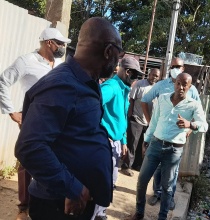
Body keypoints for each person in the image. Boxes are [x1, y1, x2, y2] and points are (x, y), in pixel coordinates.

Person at [15, 17, 124, 220]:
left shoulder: (87, 82)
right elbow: (30, 147)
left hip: (73, 201)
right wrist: (72, 187)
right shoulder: (63, 86)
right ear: (109, 51)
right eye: (118, 54)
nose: (117, 62)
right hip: (58, 204)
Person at [0, 27, 70, 220]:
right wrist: (11, 111)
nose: (63, 47)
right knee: (28, 162)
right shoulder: (26, 61)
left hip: (55, 121)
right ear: (49, 42)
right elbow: (3, 81)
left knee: (51, 159)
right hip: (32, 118)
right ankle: (23, 207)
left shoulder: (59, 64)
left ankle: (44, 201)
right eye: (61, 43)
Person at [132, 73, 208, 220]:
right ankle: (139, 212)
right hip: (155, 144)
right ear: (174, 83)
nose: (180, 87)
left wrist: (190, 124)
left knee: (167, 188)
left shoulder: (193, 104)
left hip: (174, 151)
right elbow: (154, 122)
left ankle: (162, 216)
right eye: (178, 83)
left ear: (189, 86)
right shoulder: (163, 98)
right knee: (142, 180)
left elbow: (204, 125)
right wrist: (146, 141)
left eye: (184, 84)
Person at [141, 57, 200, 209]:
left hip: (176, 140)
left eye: (178, 66)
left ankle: (169, 198)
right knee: (157, 168)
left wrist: (189, 128)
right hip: (159, 136)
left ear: (183, 67)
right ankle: (156, 193)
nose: (175, 68)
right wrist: (150, 123)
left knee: (172, 173)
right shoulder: (161, 85)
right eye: (172, 66)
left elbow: (197, 112)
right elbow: (145, 99)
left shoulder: (191, 89)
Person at [92, 56, 144, 219]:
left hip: (115, 142)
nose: (136, 80)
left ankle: (101, 212)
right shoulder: (112, 87)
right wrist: (100, 133)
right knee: (101, 182)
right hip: (104, 142)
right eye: (135, 76)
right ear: (128, 72)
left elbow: (121, 116)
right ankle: (94, 214)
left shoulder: (124, 89)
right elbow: (92, 107)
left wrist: (123, 141)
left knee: (110, 181)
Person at [121, 68, 161, 176]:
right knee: (132, 142)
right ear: (149, 74)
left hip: (149, 121)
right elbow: (131, 99)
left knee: (142, 144)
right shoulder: (139, 84)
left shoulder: (157, 88)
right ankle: (126, 166)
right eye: (153, 75)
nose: (154, 77)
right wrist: (130, 115)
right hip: (136, 118)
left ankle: (137, 164)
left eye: (157, 76)